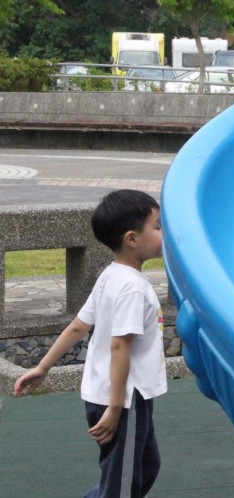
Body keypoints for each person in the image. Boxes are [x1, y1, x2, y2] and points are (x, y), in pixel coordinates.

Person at [14, 189, 167, 497]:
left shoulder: (111, 275)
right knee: (122, 484)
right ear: (132, 239)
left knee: (146, 465)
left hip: (113, 394)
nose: (165, 233)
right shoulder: (132, 288)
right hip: (123, 398)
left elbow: (78, 326)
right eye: (158, 226)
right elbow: (119, 347)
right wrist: (115, 407)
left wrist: (43, 367)